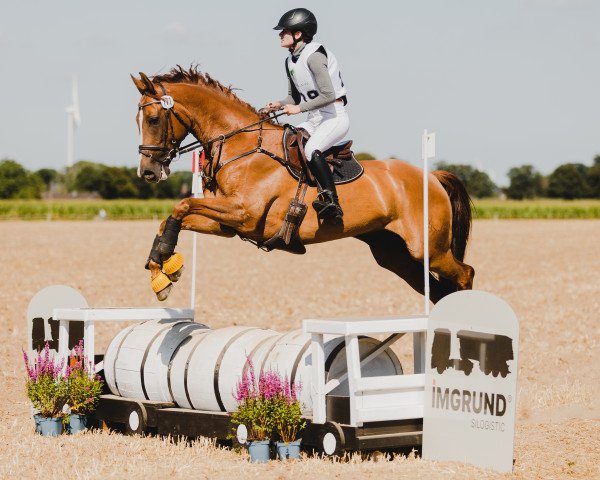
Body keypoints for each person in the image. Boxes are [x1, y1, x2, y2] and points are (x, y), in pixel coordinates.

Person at [264, 8, 349, 223]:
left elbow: (329, 94)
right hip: (315, 119)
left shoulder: (314, 56)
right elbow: (294, 98)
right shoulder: (290, 61)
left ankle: (332, 201)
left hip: (334, 116)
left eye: (284, 31)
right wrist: (279, 104)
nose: (280, 35)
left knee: (312, 149)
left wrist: (299, 109)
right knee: (289, 142)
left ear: (298, 34)